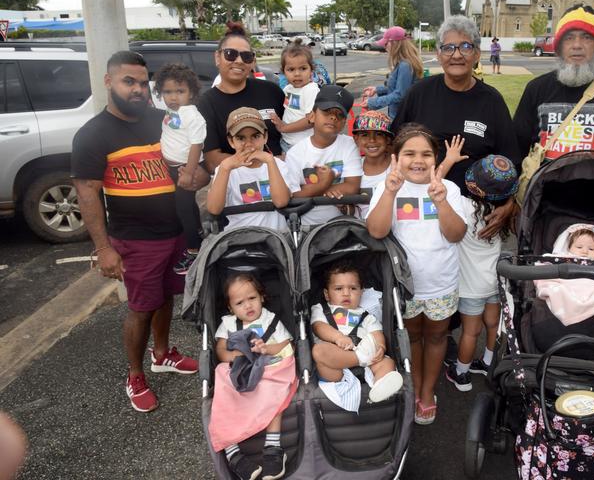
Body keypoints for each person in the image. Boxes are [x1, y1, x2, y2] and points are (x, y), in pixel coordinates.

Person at [71, 51, 197, 413]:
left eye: (143, 83)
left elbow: (187, 166)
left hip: (173, 232)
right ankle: (136, 374)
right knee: (141, 308)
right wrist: (103, 248)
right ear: (109, 81)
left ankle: (162, 354)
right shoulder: (93, 134)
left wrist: (196, 174)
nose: (138, 89)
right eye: (129, 82)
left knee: (166, 297)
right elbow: (87, 193)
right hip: (135, 239)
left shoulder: (164, 121)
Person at [366, 124, 467, 425]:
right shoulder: (387, 187)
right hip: (406, 287)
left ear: (436, 159)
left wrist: (441, 201)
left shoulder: (450, 190)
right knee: (410, 337)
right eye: (409, 153)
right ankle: (412, 386)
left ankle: (426, 392)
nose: (418, 160)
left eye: (426, 153)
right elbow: (376, 230)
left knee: (436, 337)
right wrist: (390, 191)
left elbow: (456, 234)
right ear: (395, 157)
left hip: (442, 284)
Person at [392, 15, 520, 240]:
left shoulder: (492, 101)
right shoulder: (419, 94)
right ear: (439, 54)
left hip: (478, 216)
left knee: (480, 277)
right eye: (449, 48)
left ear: (477, 54)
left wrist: (510, 203)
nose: (457, 55)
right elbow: (394, 146)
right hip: (422, 209)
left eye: (466, 46)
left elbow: (511, 161)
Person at [513, 5, 594, 172]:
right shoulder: (536, 89)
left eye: (586, 37)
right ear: (559, 47)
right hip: (543, 196)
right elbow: (517, 147)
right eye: (569, 38)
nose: (577, 45)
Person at [210, 274, 296, 480]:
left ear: (262, 297)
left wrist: (267, 348)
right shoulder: (229, 323)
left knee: (276, 386)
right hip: (240, 371)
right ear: (231, 308)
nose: (248, 306)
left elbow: (287, 346)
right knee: (220, 375)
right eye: (240, 303)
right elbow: (220, 350)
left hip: (268, 368)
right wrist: (235, 356)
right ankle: (233, 454)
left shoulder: (271, 319)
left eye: (252, 298)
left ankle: (273, 448)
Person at [445, 155, 519, 392]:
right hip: (495, 282)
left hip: (470, 286)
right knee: (491, 326)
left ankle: (462, 372)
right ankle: (488, 363)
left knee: (469, 331)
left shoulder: (464, 208)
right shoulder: (502, 215)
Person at [310, 261, 403, 407]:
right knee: (319, 351)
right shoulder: (321, 309)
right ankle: (359, 359)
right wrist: (337, 337)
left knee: (387, 362)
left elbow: (376, 333)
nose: (346, 293)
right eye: (339, 289)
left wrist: (381, 347)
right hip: (336, 368)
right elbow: (319, 327)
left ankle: (380, 386)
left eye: (353, 288)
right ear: (327, 294)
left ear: (361, 292)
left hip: (367, 362)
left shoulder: (366, 315)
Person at [198, 22, 285, 174]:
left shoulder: (272, 91)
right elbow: (212, 161)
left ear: (252, 62)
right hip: (239, 188)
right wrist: (265, 162)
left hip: (282, 180)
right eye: (230, 54)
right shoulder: (206, 104)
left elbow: (294, 134)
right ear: (217, 57)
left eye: (246, 56)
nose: (239, 61)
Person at [153, 63, 207, 275]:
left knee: (183, 209)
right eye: (167, 92)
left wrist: (189, 173)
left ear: (191, 93)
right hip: (175, 167)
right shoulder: (171, 110)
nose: (173, 97)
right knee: (188, 206)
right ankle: (199, 233)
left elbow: (196, 145)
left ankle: (193, 251)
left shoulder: (192, 115)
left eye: (180, 91)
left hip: (187, 168)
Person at [206, 107, 295, 231]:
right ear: (231, 141)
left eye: (255, 136)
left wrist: (270, 161)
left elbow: (281, 202)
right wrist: (225, 168)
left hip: (277, 239)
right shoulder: (225, 169)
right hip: (241, 240)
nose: (248, 144)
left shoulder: (277, 164)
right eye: (241, 138)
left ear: (265, 137)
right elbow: (214, 209)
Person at [285, 85, 362, 226]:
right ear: (312, 116)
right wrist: (325, 184)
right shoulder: (295, 153)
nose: (333, 117)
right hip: (307, 227)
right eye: (327, 111)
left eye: (340, 115)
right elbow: (294, 196)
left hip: (344, 224)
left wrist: (312, 191)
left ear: (344, 122)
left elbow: (352, 187)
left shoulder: (349, 144)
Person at [534, 224, 594, 326]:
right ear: (569, 248)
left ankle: (587, 302)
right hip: (567, 282)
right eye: (579, 247)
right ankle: (569, 303)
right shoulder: (564, 257)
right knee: (552, 283)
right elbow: (546, 263)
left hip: (591, 283)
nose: (585, 251)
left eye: (591, 249)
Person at [361, 26, 423, 120]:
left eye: (386, 44)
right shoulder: (404, 63)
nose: (384, 47)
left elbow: (400, 95)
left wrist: (373, 102)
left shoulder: (405, 65)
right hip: (402, 117)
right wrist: (377, 90)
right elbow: (400, 88)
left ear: (394, 43)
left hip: (403, 119)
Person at [270, 39, 320, 154]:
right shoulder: (288, 89)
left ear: (311, 70)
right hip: (287, 142)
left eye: (303, 68)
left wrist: (284, 128)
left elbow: (311, 121)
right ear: (283, 72)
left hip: (302, 146)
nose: (297, 74)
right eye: (291, 69)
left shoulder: (310, 90)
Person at [352, 111, 394, 219]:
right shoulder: (352, 169)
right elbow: (351, 209)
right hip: (360, 231)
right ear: (356, 140)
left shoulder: (397, 167)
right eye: (365, 135)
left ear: (388, 139)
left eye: (379, 134)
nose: (372, 140)